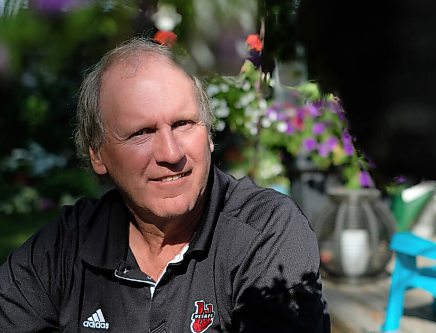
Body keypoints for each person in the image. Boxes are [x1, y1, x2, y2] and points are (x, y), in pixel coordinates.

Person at [0, 37, 330, 332]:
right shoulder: (67, 247)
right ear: (98, 155)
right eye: (142, 132)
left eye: (184, 123)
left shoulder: (267, 231)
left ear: (210, 136)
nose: (171, 153)